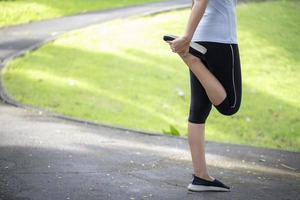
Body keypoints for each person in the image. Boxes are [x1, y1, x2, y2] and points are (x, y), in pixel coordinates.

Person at [165, 0, 242, 192]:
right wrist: (187, 37)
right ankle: (191, 59)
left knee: (198, 109)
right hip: (222, 40)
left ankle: (201, 176)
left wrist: (191, 37)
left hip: (201, 38)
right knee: (230, 105)